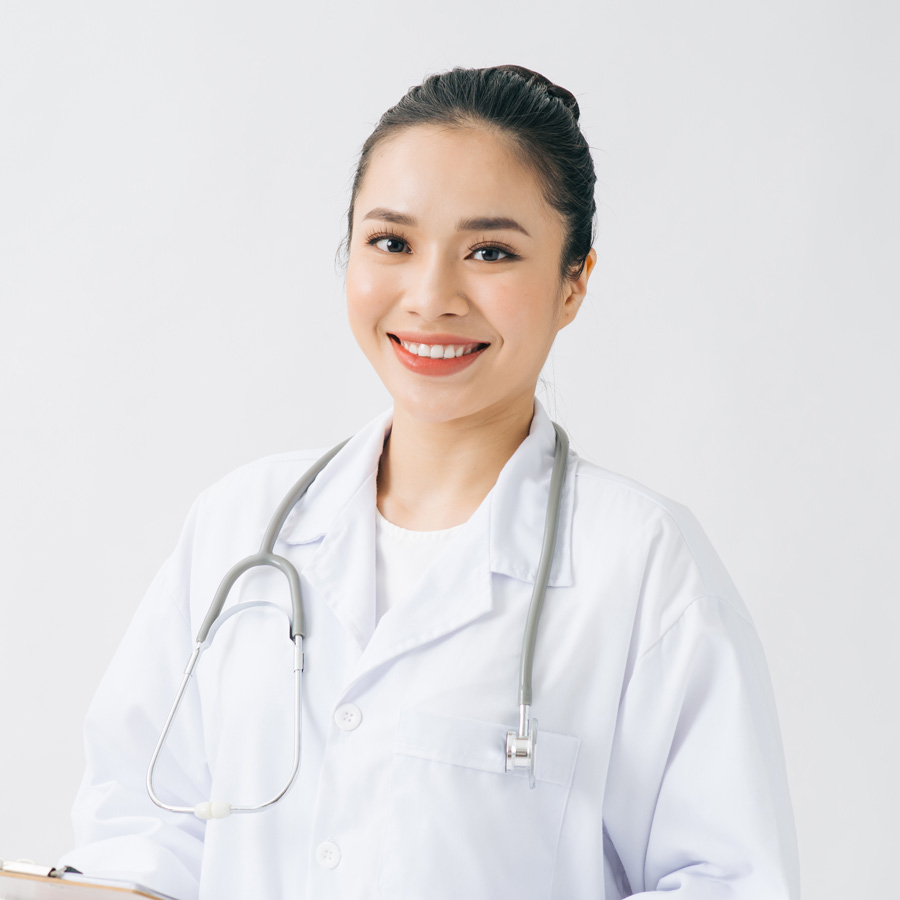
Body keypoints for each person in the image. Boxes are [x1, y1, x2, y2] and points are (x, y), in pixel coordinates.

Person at [61, 65, 800, 899]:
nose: (431, 296)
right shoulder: (241, 525)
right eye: (392, 242)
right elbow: (140, 829)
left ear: (574, 282)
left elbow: (727, 882)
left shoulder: (643, 566)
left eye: (491, 252)